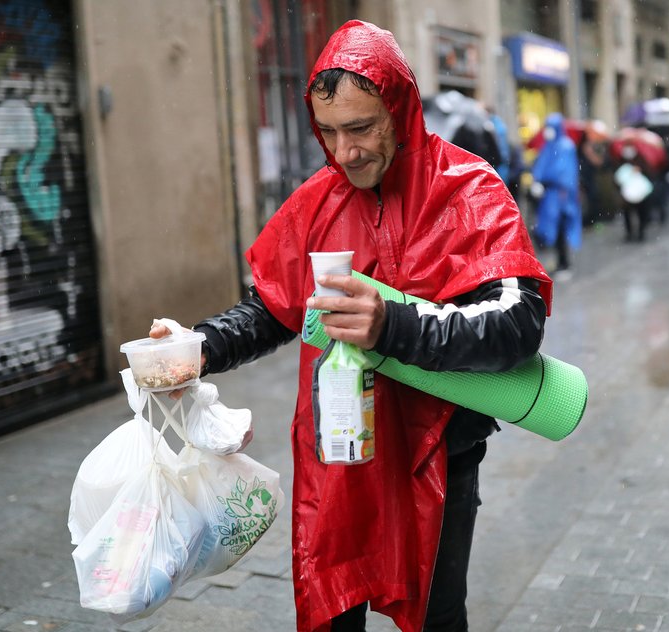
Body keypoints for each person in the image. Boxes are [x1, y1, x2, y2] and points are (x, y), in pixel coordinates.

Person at [151, 20, 551, 632]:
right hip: (340, 456)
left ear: (400, 110)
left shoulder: (470, 191)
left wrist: (397, 325)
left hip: (438, 452)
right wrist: (199, 346)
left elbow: (518, 322)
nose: (345, 152)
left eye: (361, 128)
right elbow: (272, 306)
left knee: (439, 617)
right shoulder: (316, 201)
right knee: (332, 606)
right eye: (329, 132)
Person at [529, 113, 582, 278]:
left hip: (560, 196)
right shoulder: (548, 146)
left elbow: (566, 173)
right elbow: (542, 167)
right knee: (550, 228)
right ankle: (560, 262)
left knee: (561, 228)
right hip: (549, 196)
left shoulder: (566, 146)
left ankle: (564, 263)